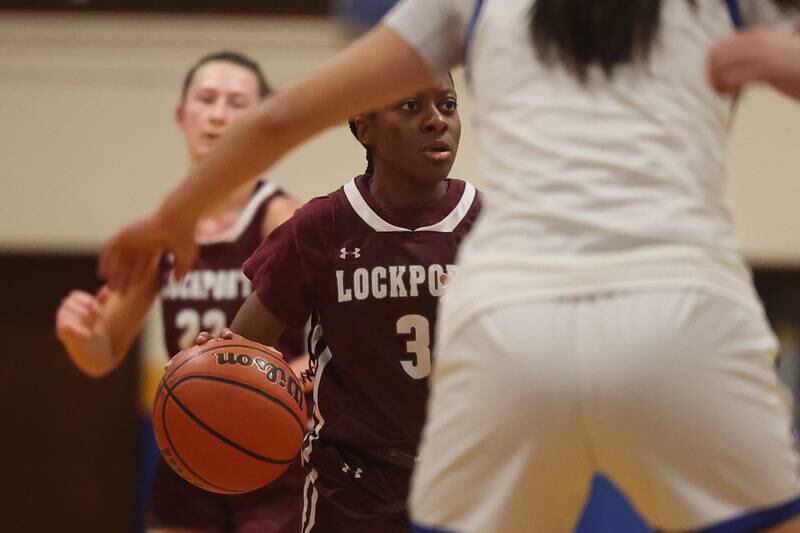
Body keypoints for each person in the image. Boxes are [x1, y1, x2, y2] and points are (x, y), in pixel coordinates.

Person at [98, 1, 800, 532]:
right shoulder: (725, 6)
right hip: (683, 309)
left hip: (511, 323)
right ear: (370, 131)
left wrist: (173, 216)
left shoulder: (471, 5)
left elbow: (278, 121)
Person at [196, 75, 480, 532]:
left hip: (470, 475)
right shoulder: (321, 227)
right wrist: (220, 368)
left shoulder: (490, 223)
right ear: (363, 126)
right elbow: (245, 347)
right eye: (410, 106)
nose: (435, 121)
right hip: (353, 485)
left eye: (447, 105)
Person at [55, 51, 307, 533]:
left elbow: (338, 342)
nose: (217, 114)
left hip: (273, 453)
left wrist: (276, 381)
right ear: (180, 115)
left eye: (236, 103)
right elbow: (104, 350)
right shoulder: (165, 230)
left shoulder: (281, 219)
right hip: (188, 446)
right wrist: (78, 337)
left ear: (259, 120)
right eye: (206, 99)